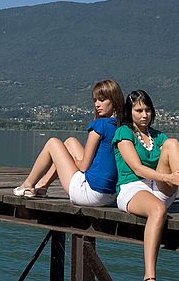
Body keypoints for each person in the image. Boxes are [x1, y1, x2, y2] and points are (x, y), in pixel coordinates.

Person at [112, 89, 179, 281]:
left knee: (173, 143)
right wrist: (170, 177)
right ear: (130, 112)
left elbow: (167, 167)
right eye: (138, 110)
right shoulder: (124, 133)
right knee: (157, 210)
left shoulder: (158, 137)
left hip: (158, 187)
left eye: (147, 110)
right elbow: (137, 168)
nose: (144, 115)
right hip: (132, 188)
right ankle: (149, 279)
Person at [13, 79, 124, 207]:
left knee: (52, 143)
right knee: (70, 142)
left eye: (102, 100)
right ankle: (42, 186)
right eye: (95, 100)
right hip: (111, 195)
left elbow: (83, 167)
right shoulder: (123, 127)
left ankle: (27, 185)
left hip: (91, 194)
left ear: (114, 101)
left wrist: (70, 159)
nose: (97, 105)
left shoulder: (99, 126)